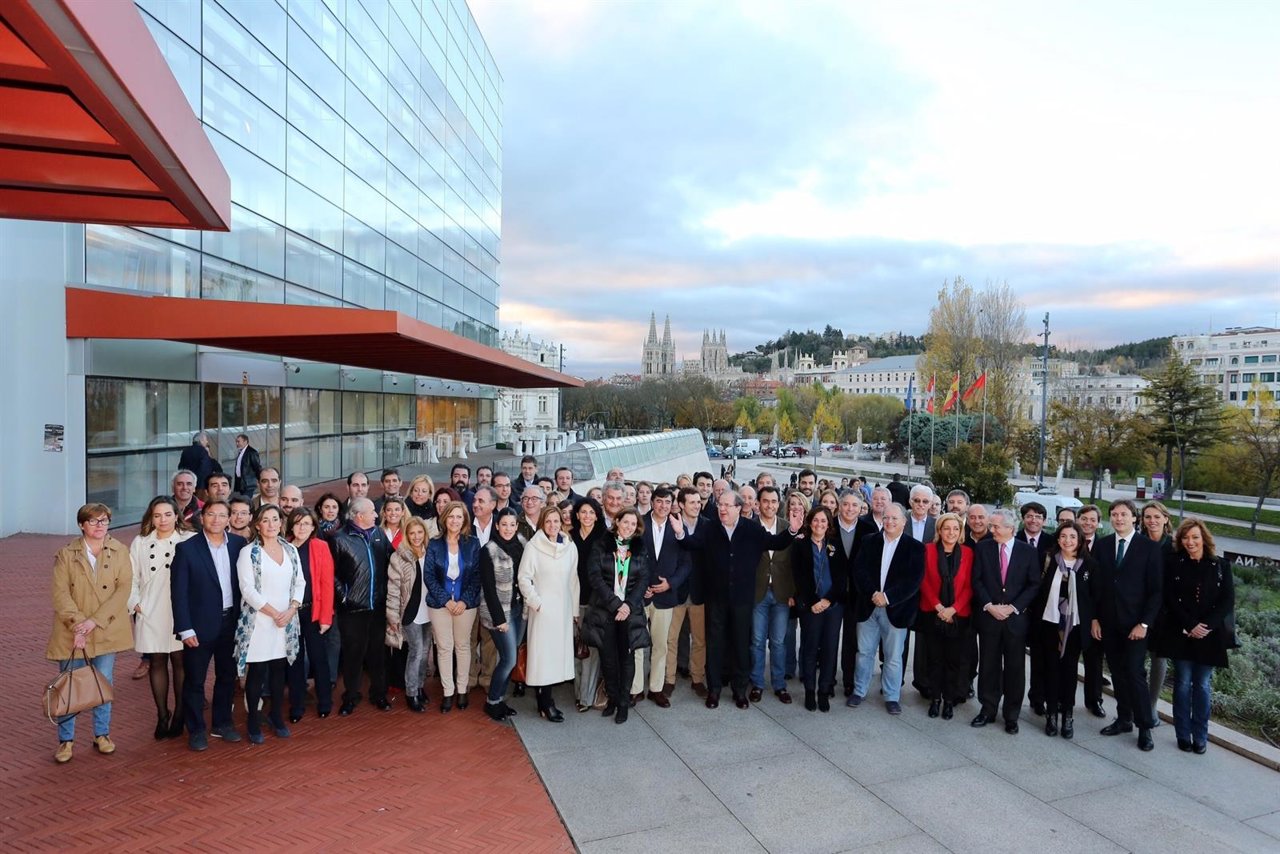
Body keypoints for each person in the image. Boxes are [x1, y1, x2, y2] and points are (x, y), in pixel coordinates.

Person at [672, 491, 799, 710]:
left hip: (742, 599)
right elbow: (692, 544)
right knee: (715, 643)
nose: (722, 509)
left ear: (738, 508)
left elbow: (776, 542)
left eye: (727, 506)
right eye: (720, 505)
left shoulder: (751, 529)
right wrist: (680, 534)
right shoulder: (710, 528)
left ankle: (740, 691)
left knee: (741, 643)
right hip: (716, 598)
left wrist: (793, 529)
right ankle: (714, 690)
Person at [48, 503, 134, 764]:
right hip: (72, 631)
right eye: (94, 521)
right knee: (69, 686)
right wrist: (78, 625)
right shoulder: (66, 554)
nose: (100, 526)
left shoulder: (120, 551)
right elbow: (60, 593)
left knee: (103, 683)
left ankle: (102, 734)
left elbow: (123, 590)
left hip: (104, 628)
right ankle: (66, 740)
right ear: (82, 525)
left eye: (105, 521)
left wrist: (93, 623)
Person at [1151, 519, 1235, 754]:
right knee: (1183, 684)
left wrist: (1206, 625)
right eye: (1186, 538)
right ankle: (1182, 734)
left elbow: (1227, 599)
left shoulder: (1220, 565)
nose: (1190, 542)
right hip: (1181, 633)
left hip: (1209, 635)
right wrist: (1189, 624)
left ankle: (1200, 736)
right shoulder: (1174, 563)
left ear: (1204, 539)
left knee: (1202, 685)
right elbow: (1169, 597)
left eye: (1195, 537)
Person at [171, 500, 247, 751]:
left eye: (222, 515)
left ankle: (222, 723)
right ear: (202, 518)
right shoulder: (187, 549)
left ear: (229, 519)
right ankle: (196, 729)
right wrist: (185, 628)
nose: (216, 519)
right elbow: (179, 593)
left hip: (231, 622)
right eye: (211, 514)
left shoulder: (239, 545)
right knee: (195, 680)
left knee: (227, 676)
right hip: (199, 627)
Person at [1088, 499, 1164, 751]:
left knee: (1135, 673)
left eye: (1123, 514)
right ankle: (1123, 719)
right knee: (1118, 673)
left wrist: (1144, 623)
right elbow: (1096, 587)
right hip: (1108, 623)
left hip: (1136, 625)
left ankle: (1145, 727)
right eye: (1114, 514)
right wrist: (1095, 618)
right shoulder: (1103, 545)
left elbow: (1156, 591)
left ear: (1134, 518)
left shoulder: (1148, 548)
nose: (1118, 518)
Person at [234, 504, 305, 744]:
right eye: (266, 520)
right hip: (259, 623)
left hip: (286, 621)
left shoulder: (291, 550)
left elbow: (300, 583)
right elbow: (248, 590)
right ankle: (253, 720)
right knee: (257, 673)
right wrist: (275, 613)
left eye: (276, 519)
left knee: (278, 671)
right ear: (257, 524)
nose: (272, 524)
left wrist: (292, 609)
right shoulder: (249, 553)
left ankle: (276, 716)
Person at [849, 503, 924, 715]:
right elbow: (859, 570)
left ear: (904, 522)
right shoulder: (868, 541)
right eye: (886, 518)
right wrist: (873, 593)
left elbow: (913, 581)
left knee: (892, 657)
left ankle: (892, 696)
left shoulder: (915, 548)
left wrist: (888, 597)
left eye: (894, 518)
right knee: (864, 653)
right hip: (868, 606)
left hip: (896, 611)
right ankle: (859, 690)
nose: (889, 522)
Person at [128, 496, 194, 739]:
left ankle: (179, 713)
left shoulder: (189, 539)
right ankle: (162, 714)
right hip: (151, 609)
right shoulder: (141, 542)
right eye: (157, 515)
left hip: (179, 610)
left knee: (179, 662)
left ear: (177, 515)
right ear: (151, 517)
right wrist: (135, 603)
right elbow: (130, 577)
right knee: (156, 661)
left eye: (167, 514)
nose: (163, 520)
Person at [970, 508, 1040, 733]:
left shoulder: (1027, 552)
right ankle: (987, 709)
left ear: (1010, 528)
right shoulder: (983, 548)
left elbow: (1033, 584)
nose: (991, 530)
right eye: (991, 526)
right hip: (989, 618)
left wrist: (1013, 607)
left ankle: (1011, 715)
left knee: (1015, 669)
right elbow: (977, 580)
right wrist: (990, 606)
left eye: (995, 527)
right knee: (988, 665)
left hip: (1015, 621)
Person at [582, 507, 650, 723]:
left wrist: (628, 605)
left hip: (630, 611)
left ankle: (623, 702)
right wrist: (615, 604)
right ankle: (612, 698)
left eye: (633, 524)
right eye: (625, 522)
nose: (629, 527)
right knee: (608, 658)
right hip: (606, 610)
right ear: (617, 522)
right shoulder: (601, 545)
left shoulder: (640, 548)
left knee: (627, 657)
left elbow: (643, 579)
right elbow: (595, 577)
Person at [330, 497, 393, 716]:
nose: (377, 515)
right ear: (359, 516)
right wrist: (345, 597)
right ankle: (351, 696)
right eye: (372, 511)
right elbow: (332, 574)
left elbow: (390, 561)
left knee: (378, 653)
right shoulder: (338, 538)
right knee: (353, 654)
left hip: (377, 607)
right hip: (352, 610)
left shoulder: (378, 534)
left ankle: (379, 694)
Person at [519, 506, 581, 722]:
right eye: (548, 522)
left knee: (557, 656)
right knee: (543, 657)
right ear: (542, 524)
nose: (553, 525)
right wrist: (537, 603)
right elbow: (524, 578)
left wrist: (573, 611)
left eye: (556, 521)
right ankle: (545, 703)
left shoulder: (570, 547)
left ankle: (545, 700)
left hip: (563, 610)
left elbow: (573, 580)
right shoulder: (533, 547)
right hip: (543, 610)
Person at [424, 501, 482, 712]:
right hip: (440, 605)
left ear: (464, 520)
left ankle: (462, 690)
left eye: (459, 517)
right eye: (451, 516)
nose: (455, 521)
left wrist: (463, 601)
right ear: (444, 519)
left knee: (463, 646)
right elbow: (429, 576)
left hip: (465, 605)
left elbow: (477, 577)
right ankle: (448, 692)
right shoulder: (434, 544)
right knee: (445, 647)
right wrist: (446, 601)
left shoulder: (473, 544)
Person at [1036, 520, 1092, 739]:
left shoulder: (1088, 565)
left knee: (1069, 672)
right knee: (1050, 670)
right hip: (1050, 624)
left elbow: (1095, 598)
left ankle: (1067, 716)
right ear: (1057, 539)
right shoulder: (1049, 560)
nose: (1067, 541)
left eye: (1072, 537)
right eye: (1063, 536)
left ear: (1079, 540)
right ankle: (1051, 715)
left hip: (1075, 628)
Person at [633, 487, 689, 707]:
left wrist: (670, 584)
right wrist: (641, 586)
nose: (663, 506)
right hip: (640, 595)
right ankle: (635, 689)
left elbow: (686, 564)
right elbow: (632, 558)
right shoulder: (639, 523)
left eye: (667, 502)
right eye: (659, 501)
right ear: (652, 502)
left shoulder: (678, 527)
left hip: (665, 596)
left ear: (672, 503)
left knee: (661, 645)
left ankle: (656, 688)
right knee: (637, 644)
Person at [917, 512, 974, 721]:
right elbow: (922, 580)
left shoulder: (968, 553)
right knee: (934, 659)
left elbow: (970, 586)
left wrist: (953, 609)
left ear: (960, 533)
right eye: (947, 528)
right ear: (939, 531)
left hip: (959, 616)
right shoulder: (928, 550)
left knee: (953, 661)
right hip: (932, 612)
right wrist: (939, 606)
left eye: (955, 529)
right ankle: (935, 699)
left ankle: (949, 700)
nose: (951, 532)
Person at [791, 506, 845, 712]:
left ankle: (824, 692)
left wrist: (828, 600)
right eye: (816, 521)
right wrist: (813, 601)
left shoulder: (836, 545)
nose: (819, 525)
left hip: (833, 606)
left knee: (830, 649)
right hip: (810, 606)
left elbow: (841, 578)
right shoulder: (800, 545)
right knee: (810, 648)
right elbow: (799, 577)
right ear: (809, 522)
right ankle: (809, 691)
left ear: (829, 524)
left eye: (824, 521)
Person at [285, 507, 334, 721]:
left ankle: (325, 701)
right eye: (297, 523)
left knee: (318, 658)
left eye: (306, 523)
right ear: (291, 526)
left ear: (313, 526)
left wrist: (325, 617)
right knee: (294, 660)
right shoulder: (283, 547)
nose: (301, 527)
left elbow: (326, 584)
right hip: (290, 614)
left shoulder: (319, 546)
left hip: (313, 611)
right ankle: (297, 705)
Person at [479, 508, 526, 721]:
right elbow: (488, 589)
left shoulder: (523, 546)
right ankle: (492, 701)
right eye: (504, 524)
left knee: (510, 657)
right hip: (500, 614)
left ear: (517, 526)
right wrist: (500, 620)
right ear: (497, 526)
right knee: (509, 659)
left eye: (512, 524)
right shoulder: (488, 550)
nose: (508, 528)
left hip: (518, 610)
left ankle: (499, 700)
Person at [750, 485, 796, 705]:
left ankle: (779, 685)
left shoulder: (789, 528)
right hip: (757, 593)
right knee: (757, 641)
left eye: (774, 501)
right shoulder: (749, 528)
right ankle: (757, 683)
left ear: (779, 504)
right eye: (765, 501)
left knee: (778, 642)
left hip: (781, 594)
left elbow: (795, 565)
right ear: (758, 504)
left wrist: (793, 593)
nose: (769, 505)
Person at [386, 516, 433, 713]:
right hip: (409, 612)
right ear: (407, 535)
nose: (416, 537)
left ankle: (420, 686)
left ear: (425, 533)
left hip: (430, 611)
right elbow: (394, 589)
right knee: (416, 651)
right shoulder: (399, 557)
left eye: (419, 532)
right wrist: (393, 617)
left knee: (425, 652)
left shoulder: (431, 553)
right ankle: (411, 693)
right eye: (412, 533)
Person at [570, 497, 608, 711]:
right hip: (573, 601)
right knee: (576, 649)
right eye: (583, 512)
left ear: (596, 515)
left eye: (591, 512)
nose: (587, 516)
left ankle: (585, 697)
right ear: (577, 515)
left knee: (591, 652)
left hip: (595, 602)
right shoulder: (569, 537)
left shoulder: (604, 537)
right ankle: (578, 692)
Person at [1141, 500, 1175, 727]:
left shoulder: (1174, 546)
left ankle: (1151, 706)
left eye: (1156, 516)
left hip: (1166, 612)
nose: (1152, 521)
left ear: (1165, 519)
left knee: (1159, 659)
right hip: (1139, 610)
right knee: (1134, 660)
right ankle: (1137, 703)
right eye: (1147, 517)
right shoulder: (1139, 544)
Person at [1076, 504, 1107, 718]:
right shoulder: (1068, 540)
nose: (1088, 523)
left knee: (1094, 661)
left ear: (1098, 523)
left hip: (1094, 614)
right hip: (1068, 612)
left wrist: (1097, 616)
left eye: (1092, 520)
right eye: (1084, 519)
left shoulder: (1105, 547)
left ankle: (1094, 700)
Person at [232, 433, 262, 498]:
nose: (237, 444)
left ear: (245, 441)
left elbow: (257, 468)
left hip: (248, 484)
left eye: (238, 441)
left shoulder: (252, 452)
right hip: (240, 483)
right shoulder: (240, 452)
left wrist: (260, 480)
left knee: (246, 501)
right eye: (236, 442)